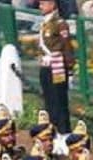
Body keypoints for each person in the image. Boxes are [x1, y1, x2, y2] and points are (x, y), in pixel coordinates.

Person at [37, 0, 75, 135]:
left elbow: (67, 47)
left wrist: (69, 69)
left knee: (59, 100)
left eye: (43, 3)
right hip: (46, 66)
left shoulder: (60, 24)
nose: (40, 6)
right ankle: (52, 130)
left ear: (52, 5)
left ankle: (64, 132)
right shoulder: (45, 23)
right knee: (49, 100)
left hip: (58, 66)